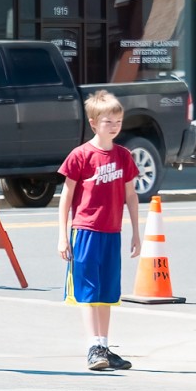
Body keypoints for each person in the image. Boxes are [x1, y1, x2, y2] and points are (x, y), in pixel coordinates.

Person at [57, 90, 142, 372]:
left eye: (118, 120)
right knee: (88, 290)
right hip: (85, 231)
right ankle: (93, 345)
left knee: (107, 291)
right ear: (94, 123)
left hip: (111, 232)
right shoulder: (81, 155)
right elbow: (66, 198)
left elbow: (131, 195)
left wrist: (136, 233)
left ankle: (104, 345)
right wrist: (62, 235)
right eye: (108, 121)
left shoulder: (123, 156)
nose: (114, 126)